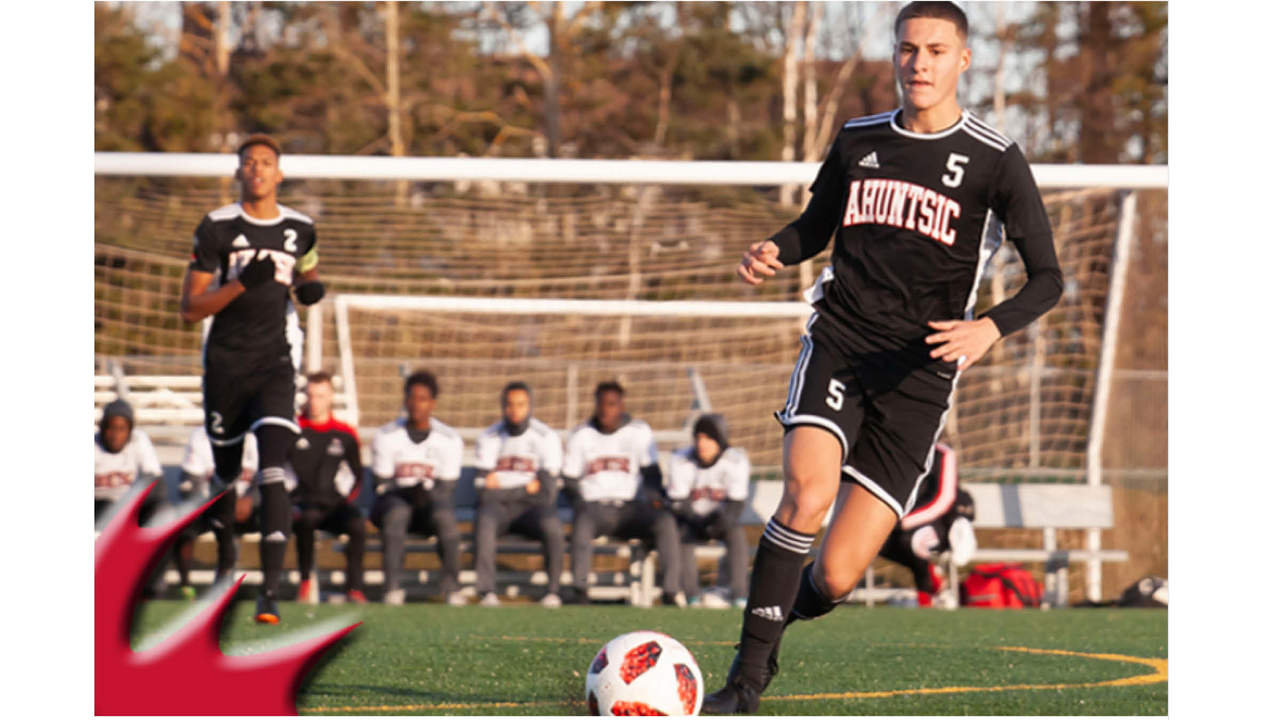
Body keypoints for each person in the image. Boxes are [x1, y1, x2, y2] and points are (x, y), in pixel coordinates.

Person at [704, 2, 1062, 712]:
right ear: (894, 57)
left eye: (934, 50)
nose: (918, 63)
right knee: (806, 495)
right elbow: (815, 225)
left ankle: (777, 621)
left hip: (920, 378)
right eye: (907, 50)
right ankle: (744, 682)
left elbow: (1048, 278)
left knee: (835, 577)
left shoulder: (995, 160)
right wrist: (778, 247)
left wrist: (987, 329)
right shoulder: (859, 140)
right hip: (840, 343)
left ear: (963, 60)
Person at [178, 132, 326, 624]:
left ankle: (270, 593)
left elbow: (306, 271)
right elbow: (190, 308)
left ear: (279, 173)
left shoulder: (301, 228)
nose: (258, 169)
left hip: (277, 362)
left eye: (266, 162)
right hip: (225, 362)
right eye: (249, 162)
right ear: (238, 171)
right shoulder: (217, 227)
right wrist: (242, 282)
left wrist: (308, 288)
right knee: (225, 477)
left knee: (274, 467)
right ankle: (225, 570)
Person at [562, 381, 682, 606]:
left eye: (612, 404)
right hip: (595, 507)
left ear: (621, 405)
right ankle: (579, 590)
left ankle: (670, 592)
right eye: (601, 404)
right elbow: (569, 479)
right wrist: (579, 502)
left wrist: (654, 497)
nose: (606, 410)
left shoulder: (639, 431)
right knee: (582, 520)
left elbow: (651, 472)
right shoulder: (581, 435)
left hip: (631, 508)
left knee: (665, 521)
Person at [369, 370, 465, 606]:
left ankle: (451, 588)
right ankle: (392, 588)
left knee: (446, 519)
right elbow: (381, 486)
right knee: (397, 514)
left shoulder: (449, 438)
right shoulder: (386, 435)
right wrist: (408, 493)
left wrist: (426, 495)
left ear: (432, 403)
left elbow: (447, 487)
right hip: (395, 503)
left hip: (430, 505)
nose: (416, 405)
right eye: (412, 398)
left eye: (422, 399)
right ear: (405, 400)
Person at [473, 381, 566, 608]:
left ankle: (553, 591)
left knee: (552, 526)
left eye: (520, 404)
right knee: (484, 521)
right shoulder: (489, 437)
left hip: (532, 510)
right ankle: (487, 593)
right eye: (509, 405)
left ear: (530, 406)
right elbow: (482, 493)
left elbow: (547, 494)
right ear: (502, 407)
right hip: (498, 510)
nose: (514, 410)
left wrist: (501, 489)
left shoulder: (546, 437)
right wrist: (525, 489)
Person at [289, 371, 368, 605]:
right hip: (302, 505)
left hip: (333, 505)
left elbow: (357, 476)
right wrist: (290, 498)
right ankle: (305, 583)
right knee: (305, 521)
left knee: (357, 524)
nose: (315, 401)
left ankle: (354, 588)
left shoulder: (344, 434)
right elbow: (281, 470)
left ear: (330, 397)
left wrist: (343, 499)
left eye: (320, 396)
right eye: (311, 396)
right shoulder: (292, 430)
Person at [875, 442, 976, 607]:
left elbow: (943, 500)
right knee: (869, 540)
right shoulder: (893, 447)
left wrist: (902, 522)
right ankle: (928, 592)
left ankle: (931, 590)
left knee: (913, 541)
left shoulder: (942, 454)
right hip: (895, 522)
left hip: (936, 526)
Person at [666, 414, 750, 609]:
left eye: (709, 438)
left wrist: (720, 522)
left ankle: (739, 594)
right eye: (699, 438)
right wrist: (697, 520)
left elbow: (736, 504)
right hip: (691, 520)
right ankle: (692, 595)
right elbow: (679, 502)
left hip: (722, 520)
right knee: (682, 536)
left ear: (720, 440)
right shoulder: (681, 460)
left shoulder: (735, 460)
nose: (702, 444)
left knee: (736, 533)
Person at [173, 426, 260, 599]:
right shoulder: (201, 436)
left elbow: (264, 477)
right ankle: (185, 587)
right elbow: (190, 482)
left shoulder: (252, 436)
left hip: (246, 508)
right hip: (208, 505)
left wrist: (251, 499)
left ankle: (225, 585)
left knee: (231, 505)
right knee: (183, 523)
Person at [94, 399, 166, 596]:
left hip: (129, 505)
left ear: (130, 430)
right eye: (111, 428)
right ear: (102, 429)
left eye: (121, 428)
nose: (116, 434)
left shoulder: (139, 441)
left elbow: (155, 481)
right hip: (96, 506)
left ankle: (150, 587)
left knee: (163, 514)